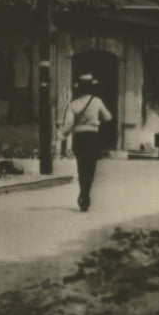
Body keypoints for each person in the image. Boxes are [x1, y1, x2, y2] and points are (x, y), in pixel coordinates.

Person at [60, 73, 111, 211]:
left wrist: (62, 135)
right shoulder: (97, 101)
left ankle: (83, 193)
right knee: (90, 168)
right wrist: (96, 119)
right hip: (92, 137)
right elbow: (108, 117)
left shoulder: (73, 104)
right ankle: (85, 195)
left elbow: (68, 124)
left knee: (81, 167)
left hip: (78, 138)